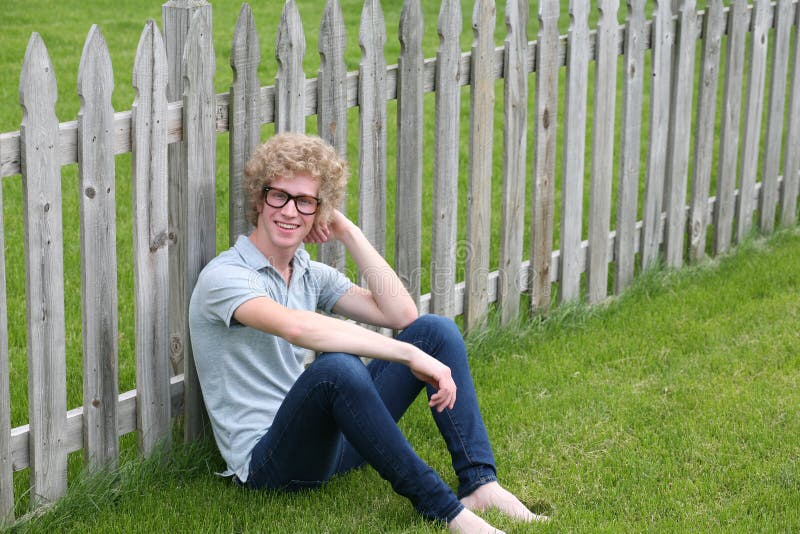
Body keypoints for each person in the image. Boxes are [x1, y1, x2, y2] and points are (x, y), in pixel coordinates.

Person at [189, 133, 548, 532]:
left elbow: (401, 313)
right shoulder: (225, 277)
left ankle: (480, 483)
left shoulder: (307, 274)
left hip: (329, 447)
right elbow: (297, 328)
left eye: (306, 201)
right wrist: (409, 356)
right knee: (338, 370)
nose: (290, 211)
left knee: (434, 331)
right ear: (259, 199)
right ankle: (447, 513)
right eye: (279, 196)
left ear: (318, 212)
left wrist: (346, 231)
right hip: (270, 464)